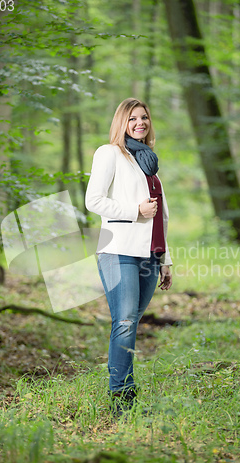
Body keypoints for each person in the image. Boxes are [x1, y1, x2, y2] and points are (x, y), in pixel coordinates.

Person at [85, 97, 172, 416]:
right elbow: (92, 200)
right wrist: (134, 211)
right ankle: (121, 398)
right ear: (122, 122)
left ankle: (128, 392)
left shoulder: (149, 163)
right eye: (133, 118)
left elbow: (161, 216)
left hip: (150, 255)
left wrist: (165, 260)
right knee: (123, 322)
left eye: (145, 117)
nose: (140, 123)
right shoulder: (109, 153)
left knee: (131, 323)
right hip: (117, 250)